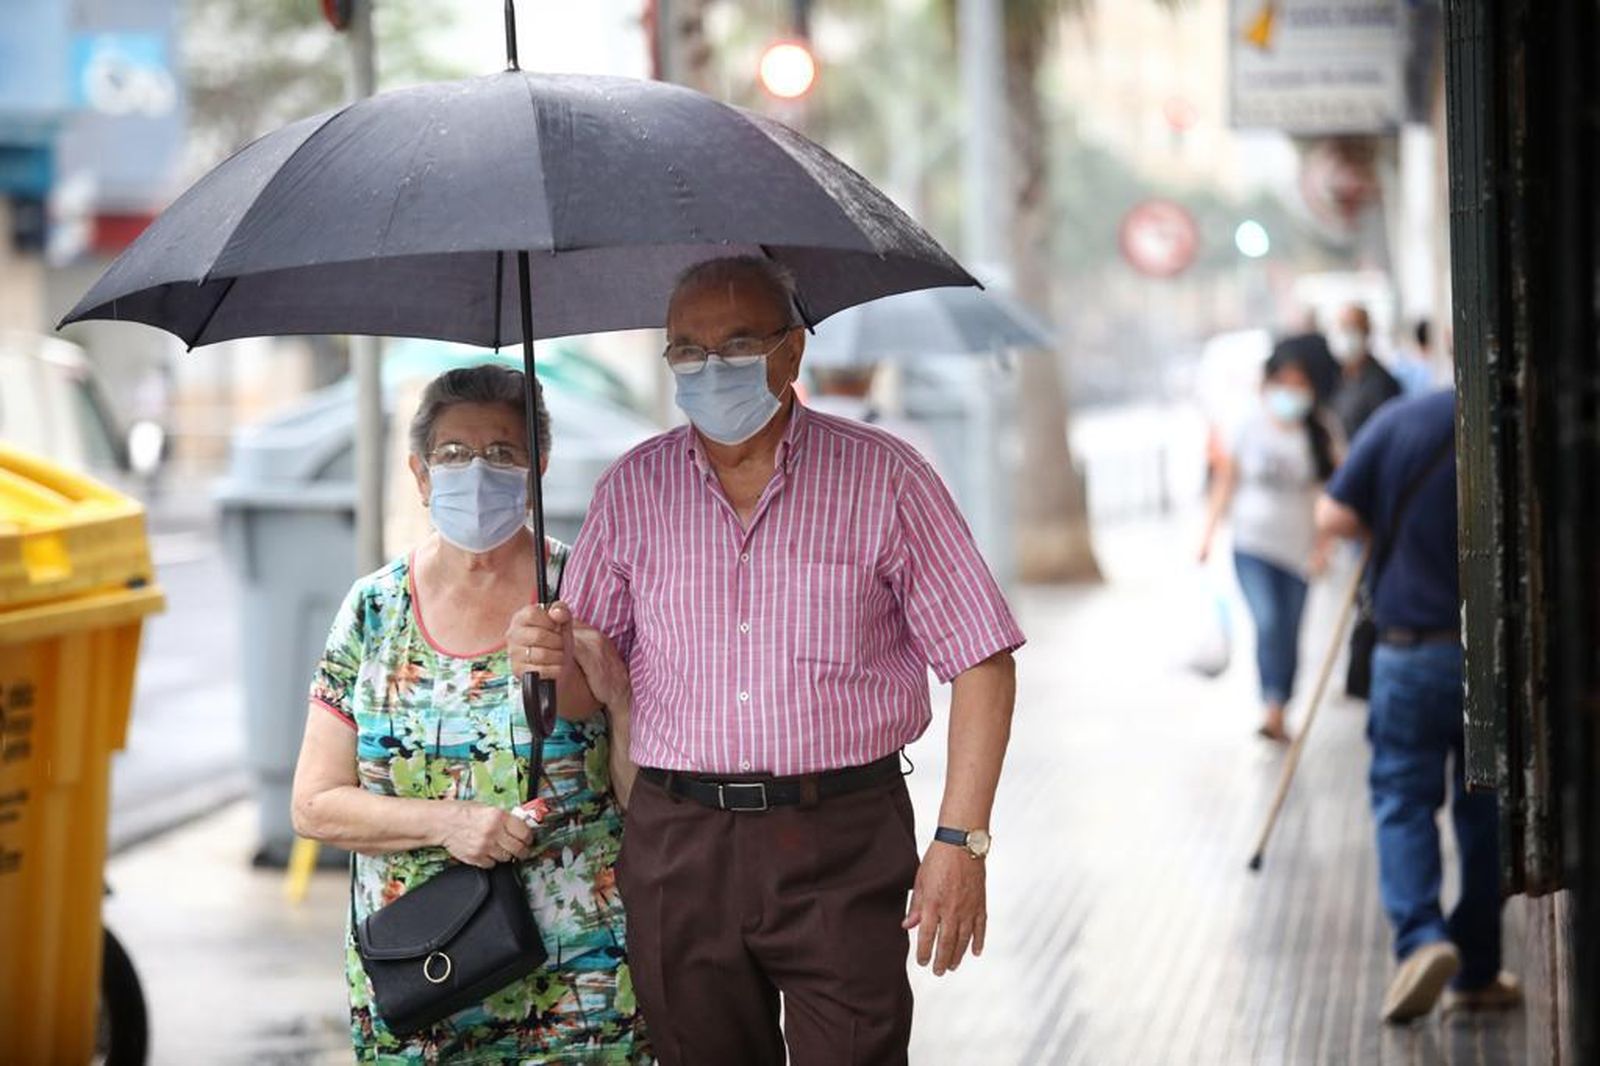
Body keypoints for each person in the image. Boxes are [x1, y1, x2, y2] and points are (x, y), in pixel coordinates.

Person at [507, 256, 1025, 1066]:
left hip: (842, 837)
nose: (710, 370)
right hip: (680, 840)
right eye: (687, 351)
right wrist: (545, 657)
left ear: (791, 353)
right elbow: (584, 692)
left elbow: (983, 659)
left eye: (737, 344)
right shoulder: (632, 490)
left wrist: (962, 841)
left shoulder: (885, 479)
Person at [289, 365, 650, 1062]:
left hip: (581, 986)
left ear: (538, 471)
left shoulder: (591, 593)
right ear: (420, 476)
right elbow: (314, 805)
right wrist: (449, 824)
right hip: (421, 979)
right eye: (453, 454)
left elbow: (649, 805)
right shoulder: (374, 610)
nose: (476, 471)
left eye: (502, 453)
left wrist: (618, 694)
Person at [1316, 388, 1520, 1024]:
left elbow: (1332, 517)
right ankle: (1478, 969)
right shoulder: (1509, 415)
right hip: (1489, 655)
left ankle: (1421, 940)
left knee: (1403, 801)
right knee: (1485, 809)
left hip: (1406, 652)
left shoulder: (1397, 420)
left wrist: (1383, 524)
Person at [1199, 344, 1340, 741]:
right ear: (1269, 384)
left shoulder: (1319, 431)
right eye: (1284, 383)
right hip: (1252, 546)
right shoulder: (1248, 425)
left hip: (1299, 551)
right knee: (1268, 621)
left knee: (1290, 630)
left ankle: (1282, 702)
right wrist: (1208, 534)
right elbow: (1226, 479)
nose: (1291, 392)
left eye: (1299, 384)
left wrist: (1323, 547)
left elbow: (1330, 494)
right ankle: (1270, 706)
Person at [1328, 303, 1402, 439]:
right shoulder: (1341, 378)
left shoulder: (1381, 383)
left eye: (1351, 328)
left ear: (1366, 331)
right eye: (1341, 328)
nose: (1345, 334)